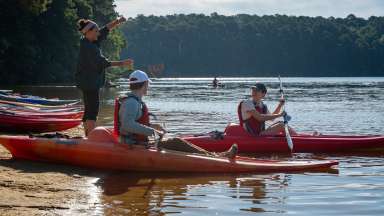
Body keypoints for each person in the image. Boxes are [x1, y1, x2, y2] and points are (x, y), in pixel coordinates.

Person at [114, 70, 238, 158]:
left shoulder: (134, 101)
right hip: (134, 145)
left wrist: (153, 126)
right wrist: (152, 132)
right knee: (176, 142)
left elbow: (134, 123)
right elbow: (127, 125)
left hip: (137, 142)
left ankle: (214, 156)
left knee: (177, 141)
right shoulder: (131, 103)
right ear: (144, 84)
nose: (148, 87)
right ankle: (215, 157)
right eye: (148, 84)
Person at [75, 17, 133, 136]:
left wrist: (117, 22)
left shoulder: (89, 41)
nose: (98, 33)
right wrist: (122, 63)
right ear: (89, 32)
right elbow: (103, 63)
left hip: (86, 82)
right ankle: (90, 138)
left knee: (89, 109)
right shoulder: (89, 48)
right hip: (89, 83)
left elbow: (105, 30)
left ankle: (87, 135)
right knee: (92, 111)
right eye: (96, 31)